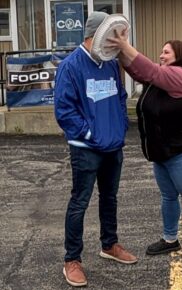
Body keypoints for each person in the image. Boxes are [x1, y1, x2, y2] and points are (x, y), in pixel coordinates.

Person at [105, 31, 182, 269]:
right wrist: (120, 54)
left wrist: (124, 45)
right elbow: (138, 71)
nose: (161, 55)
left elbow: (149, 70)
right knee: (168, 196)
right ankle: (170, 239)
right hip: (163, 151)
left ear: (179, 55)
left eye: (166, 51)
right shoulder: (159, 81)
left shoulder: (181, 75)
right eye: (161, 51)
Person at [54, 11, 137, 287]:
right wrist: (90, 134)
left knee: (109, 197)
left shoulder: (111, 65)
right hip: (86, 149)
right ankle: (72, 260)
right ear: (93, 35)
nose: (115, 44)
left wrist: (119, 126)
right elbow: (64, 111)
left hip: (113, 146)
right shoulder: (71, 66)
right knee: (79, 202)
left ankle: (109, 244)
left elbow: (121, 96)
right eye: (110, 37)